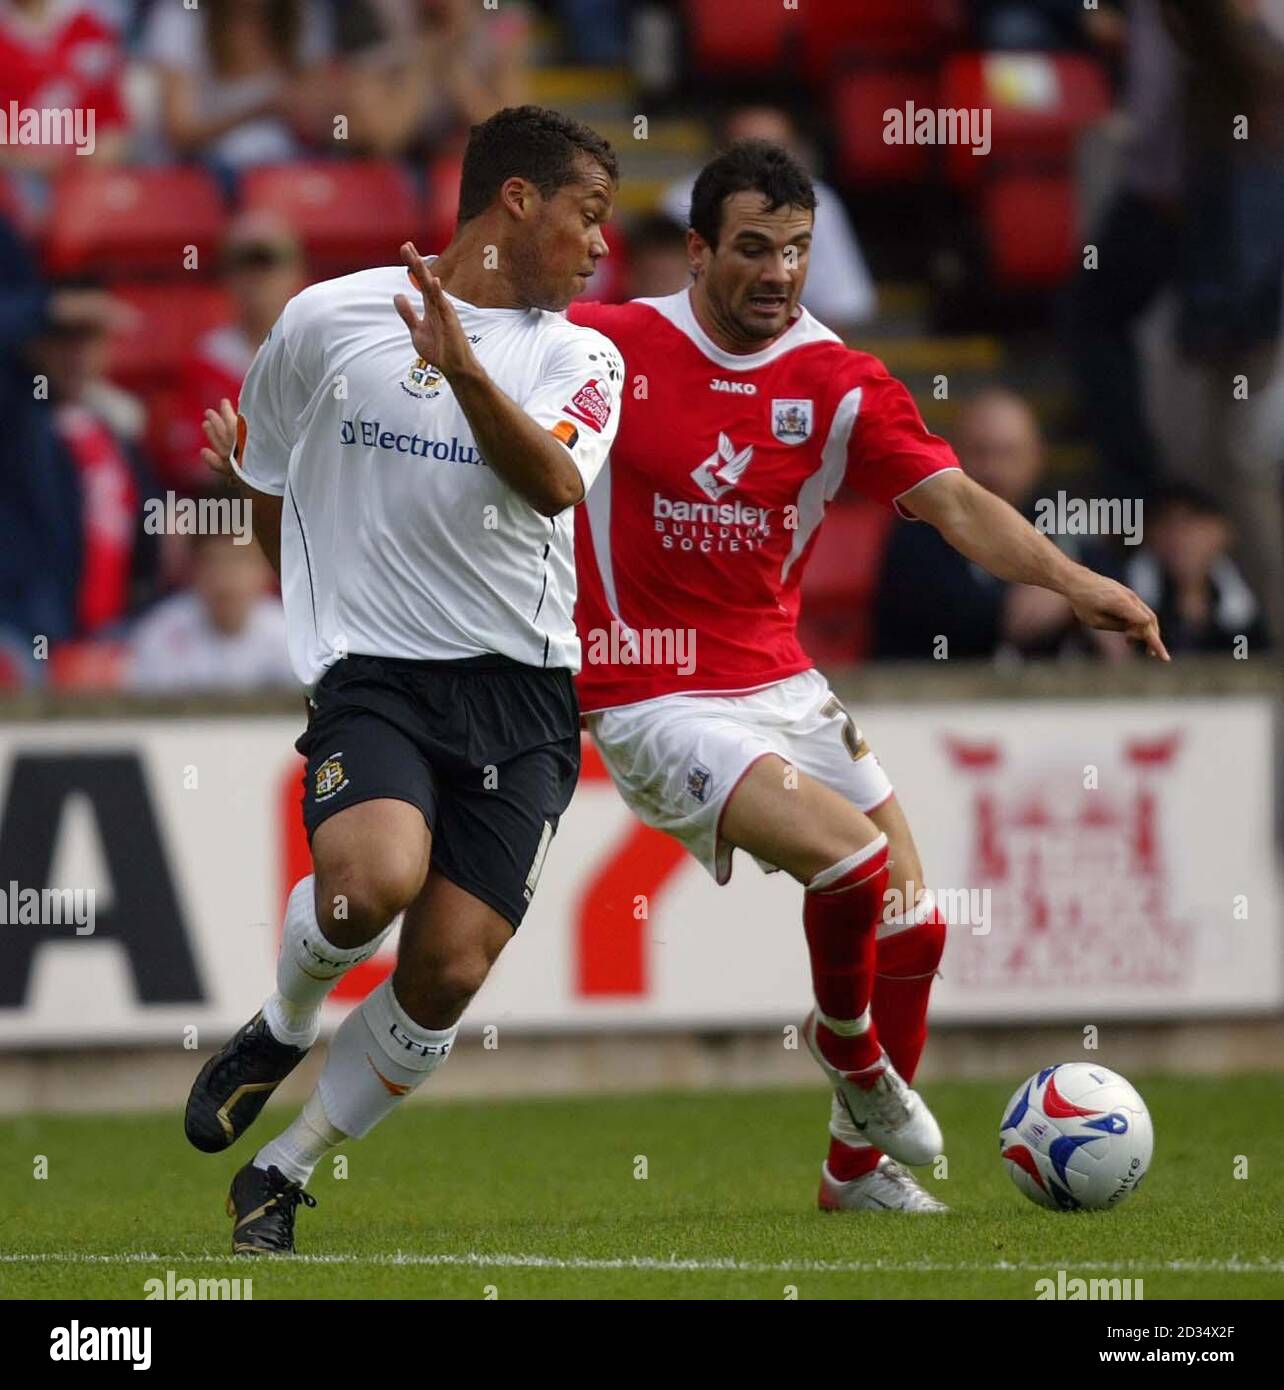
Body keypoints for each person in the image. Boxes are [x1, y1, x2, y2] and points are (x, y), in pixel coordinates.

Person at [568, 141, 1167, 1213]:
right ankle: (851, 1055)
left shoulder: (837, 380)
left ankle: (854, 1173)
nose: (779, 273)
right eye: (754, 249)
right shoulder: (609, 345)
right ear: (699, 253)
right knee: (849, 870)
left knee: (914, 923)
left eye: (796, 251)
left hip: (782, 682)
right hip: (652, 692)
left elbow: (959, 505)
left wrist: (1080, 583)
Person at [187, 105, 622, 1255]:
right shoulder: (328, 317)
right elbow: (266, 467)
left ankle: (282, 1170)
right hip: (379, 677)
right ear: (516, 200)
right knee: (368, 885)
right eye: (587, 216)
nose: (599, 247)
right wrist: (315, 629)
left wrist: (465, 369)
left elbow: (553, 487)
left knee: (448, 967)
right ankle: (282, 1021)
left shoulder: (584, 353)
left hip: (524, 696)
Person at [661, 107, 876, 332]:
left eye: (774, 151)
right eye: (751, 151)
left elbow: (840, 302)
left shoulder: (819, 204)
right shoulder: (681, 199)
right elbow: (661, 289)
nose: (763, 164)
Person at [163, 211, 307, 493]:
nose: (256, 279)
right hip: (229, 508)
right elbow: (195, 462)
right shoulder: (207, 360)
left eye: (268, 264)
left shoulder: (318, 354)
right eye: (244, 266)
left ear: (295, 273)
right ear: (227, 277)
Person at [127, 525, 297, 692]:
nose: (226, 578)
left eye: (239, 561)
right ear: (194, 570)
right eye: (215, 562)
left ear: (265, 570)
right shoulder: (160, 635)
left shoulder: (291, 638)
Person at [1121, 483, 1270, 655]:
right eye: (1167, 525)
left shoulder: (1244, 608)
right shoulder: (1124, 599)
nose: (1178, 538)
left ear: (1221, 533)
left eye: (1190, 526)